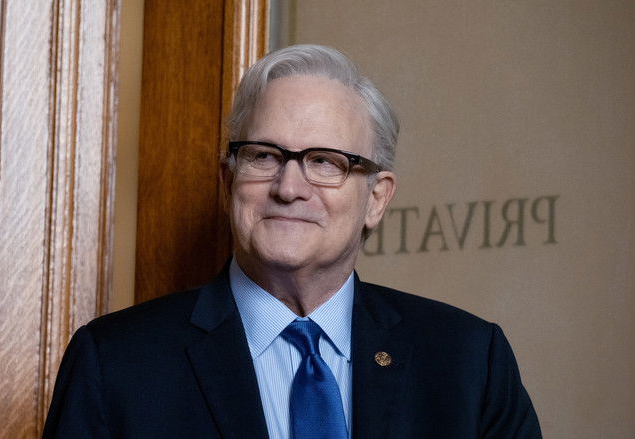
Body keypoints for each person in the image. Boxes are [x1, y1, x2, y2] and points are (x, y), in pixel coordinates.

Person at [42, 44, 541, 438]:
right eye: (264, 156)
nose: (288, 187)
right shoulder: (114, 363)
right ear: (228, 181)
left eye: (325, 161)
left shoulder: (468, 361)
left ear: (376, 199)